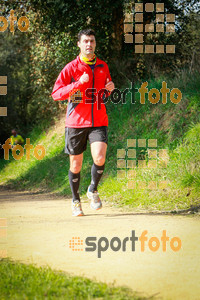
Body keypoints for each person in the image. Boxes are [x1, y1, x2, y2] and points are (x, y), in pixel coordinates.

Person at [52, 28, 115, 216]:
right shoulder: (71, 68)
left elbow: (103, 92)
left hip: (98, 120)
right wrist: (77, 83)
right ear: (79, 44)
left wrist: (109, 89)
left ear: (95, 43)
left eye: (92, 41)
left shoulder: (103, 66)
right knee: (76, 165)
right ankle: (75, 200)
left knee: (100, 158)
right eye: (85, 41)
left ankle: (93, 190)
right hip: (76, 123)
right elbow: (56, 94)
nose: (89, 44)